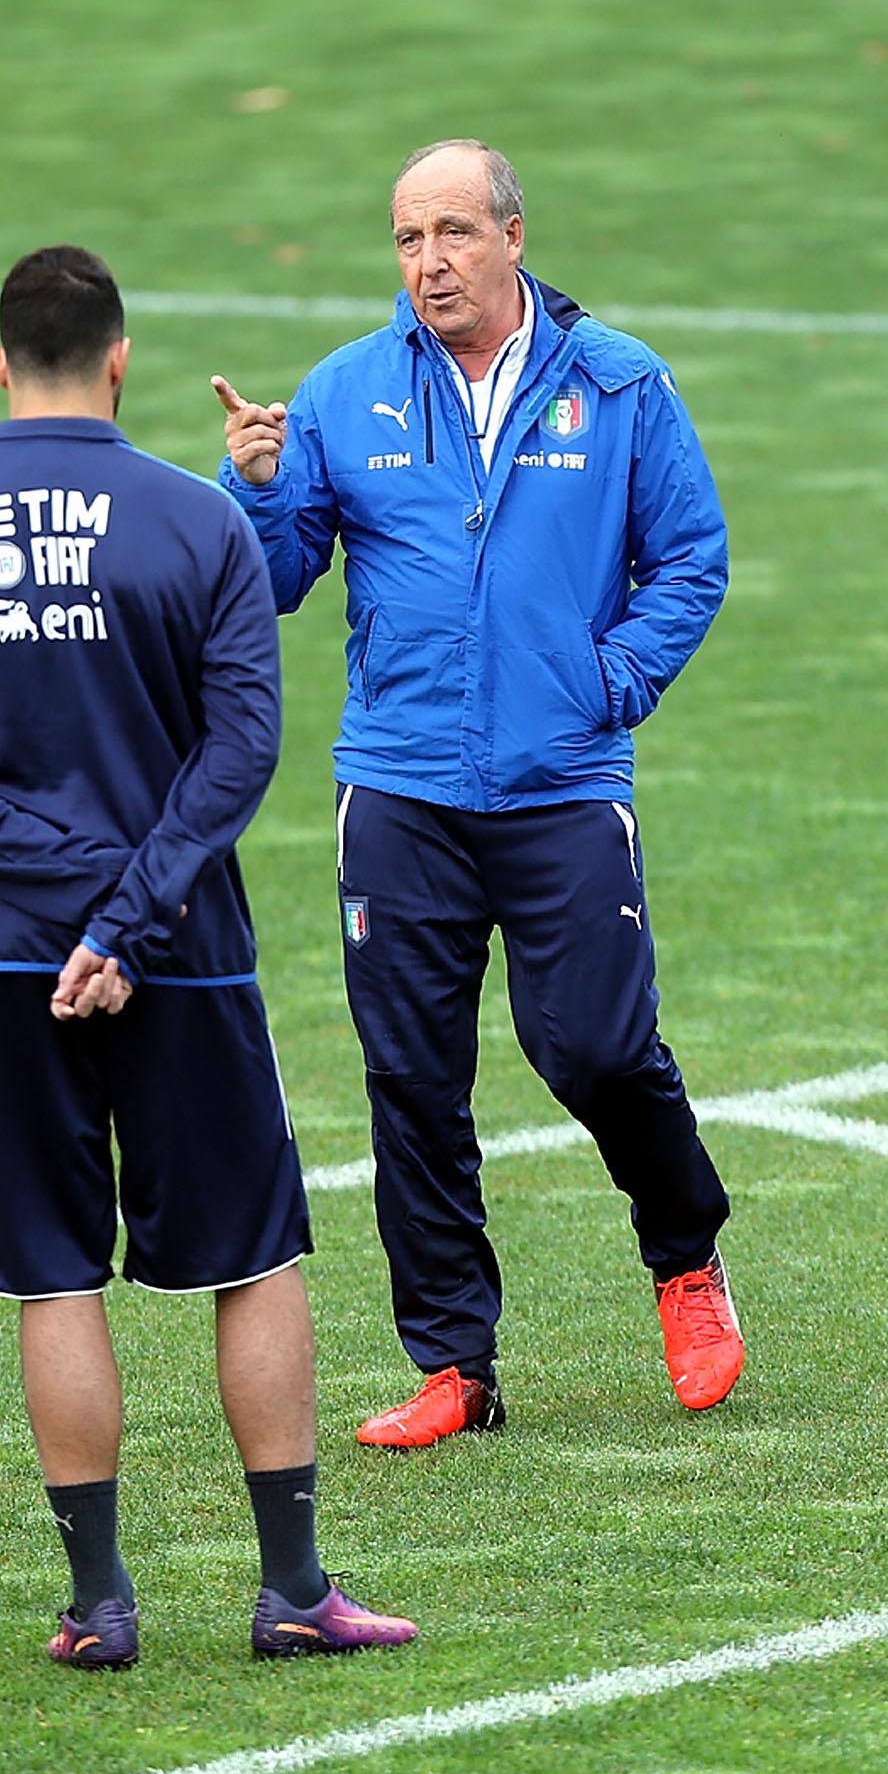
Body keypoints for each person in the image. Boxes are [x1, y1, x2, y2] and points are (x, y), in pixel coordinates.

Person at [0, 245, 416, 1667]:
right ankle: (291, 1586)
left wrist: (61, 893)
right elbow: (241, 748)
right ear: (119, 359)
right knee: (252, 1258)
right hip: (188, 956)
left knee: (52, 1274)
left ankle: (99, 1602)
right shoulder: (194, 525)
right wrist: (125, 909)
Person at [209, 139, 742, 1448]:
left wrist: (606, 680)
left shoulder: (618, 383)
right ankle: (455, 1362)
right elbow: (279, 578)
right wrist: (259, 485)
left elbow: (691, 558)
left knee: (599, 1048)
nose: (428, 261)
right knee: (412, 1078)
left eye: (451, 231)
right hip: (398, 788)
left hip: (562, 783)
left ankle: (684, 1257)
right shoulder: (344, 392)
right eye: (405, 238)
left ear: (512, 233)